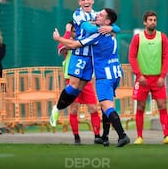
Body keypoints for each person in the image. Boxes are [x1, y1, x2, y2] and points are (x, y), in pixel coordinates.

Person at [53, 8, 130, 147]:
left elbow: (75, 44)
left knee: (107, 106)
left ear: (106, 21)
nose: (97, 15)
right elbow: (116, 27)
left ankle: (122, 135)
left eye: (101, 15)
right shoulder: (111, 33)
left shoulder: (97, 34)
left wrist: (59, 38)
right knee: (105, 104)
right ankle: (105, 137)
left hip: (104, 75)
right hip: (116, 73)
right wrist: (111, 26)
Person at [49, 0, 119, 127]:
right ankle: (56, 109)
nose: (86, 2)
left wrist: (109, 26)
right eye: (83, 0)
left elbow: (117, 28)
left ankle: (60, 108)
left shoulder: (97, 14)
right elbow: (90, 29)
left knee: (78, 89)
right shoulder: (78, 14)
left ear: (92, 1)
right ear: (79, 3)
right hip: (79, 54)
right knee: (73, 85)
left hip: (91, 58)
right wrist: (105, 27)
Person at [128, 11, 168, 145]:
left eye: (155, 20)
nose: (153, 22)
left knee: (162, 105)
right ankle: (139, 137)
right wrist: (139, 75)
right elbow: (131, 57)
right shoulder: (138, 38)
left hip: (157, 79)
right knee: (141, 107)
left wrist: (162, 76)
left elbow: (166, 57)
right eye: (150, 20)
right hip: (142, 79)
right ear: (144, 22)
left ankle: (167, 136)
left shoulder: (162, 37)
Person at [57, 21, 102, 145]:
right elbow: (61, 48)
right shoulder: (68, 44)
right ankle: (76, 137)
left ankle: (97, 135)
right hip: (71, 81)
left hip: (86, 81)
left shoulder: (87, 42)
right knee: (74, 109)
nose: (76, 33)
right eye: (73, 31)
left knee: (93, 108)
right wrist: (66, 32)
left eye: (77, 30)